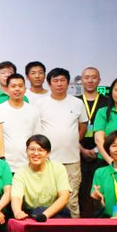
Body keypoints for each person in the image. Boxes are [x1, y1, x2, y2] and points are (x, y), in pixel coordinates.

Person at [35, 68, 87, 217]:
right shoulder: (40, 104)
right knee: (48, 199)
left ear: (68, 83)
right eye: (55, 80)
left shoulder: (77, 103)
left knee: (72, 199)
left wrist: (72, 140)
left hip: (72, 160)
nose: (59, 84)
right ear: (49, 83)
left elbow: (82, 126)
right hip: (48, 161)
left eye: (63, 80)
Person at [11, 135, 70, 221]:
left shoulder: (58, 168)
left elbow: (64, 197)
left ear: (47, 153)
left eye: (40, 150)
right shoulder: (20, 172)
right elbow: (16, 197)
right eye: (32, 149)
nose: (35, 153)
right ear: (26, 151)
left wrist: (44, 215)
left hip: (55, 211)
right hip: (32, 213)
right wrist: (17, 212)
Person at [77, 66, 108, 215]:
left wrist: (97, 149)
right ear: (81, 80)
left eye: (94, 77)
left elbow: (111, 130)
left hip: (102, 154)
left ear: (99, 80)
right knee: (81, 192)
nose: (90, 80)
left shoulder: (107, 103)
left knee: (100, 190)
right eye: (86, 77)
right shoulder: (75, 102)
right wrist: (82, 150)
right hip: (78, 153)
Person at [0, 73, 41, 173]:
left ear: (25, 89)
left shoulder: (33, 111)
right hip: (5, 165)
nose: (17, 89)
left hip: (28, 165)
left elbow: (37, 137)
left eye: (20, 86)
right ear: (7, 89)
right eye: (13, 86)